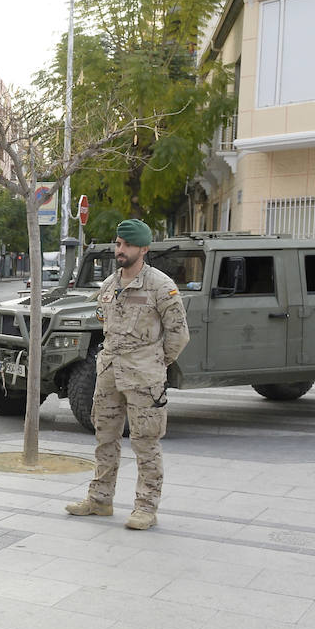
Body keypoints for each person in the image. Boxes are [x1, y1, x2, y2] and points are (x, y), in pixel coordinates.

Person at [66, 219, 189, 530]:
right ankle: (100, 499)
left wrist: (156, 363)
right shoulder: (109, 285)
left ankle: (146, 507)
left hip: (144, 379)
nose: (119, 250)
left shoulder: (161, 286)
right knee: (104, 438)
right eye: (118, 243)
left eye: (127, 245)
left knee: (145, 443)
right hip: (108, 375)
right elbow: (103, 323)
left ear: (143, 249)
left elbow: (179, 334)